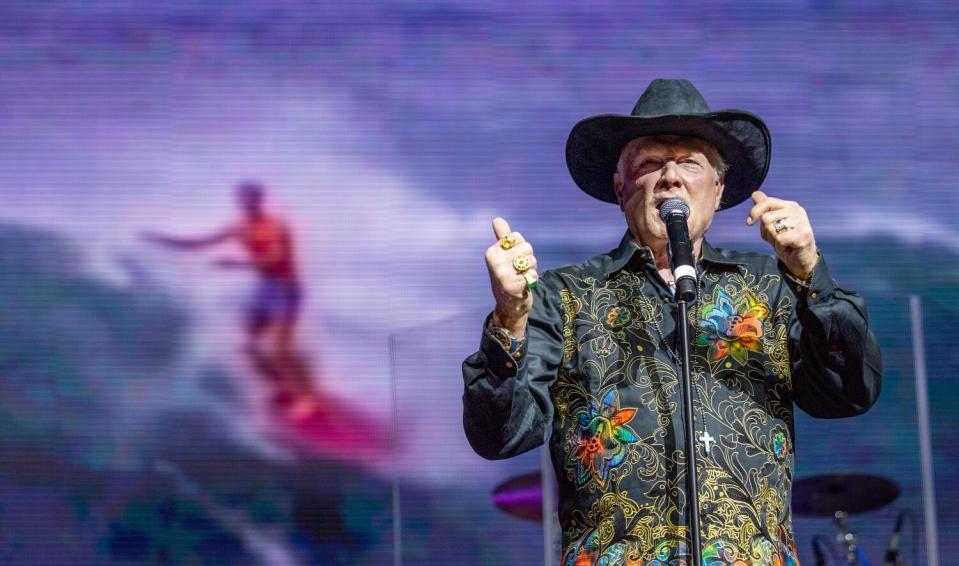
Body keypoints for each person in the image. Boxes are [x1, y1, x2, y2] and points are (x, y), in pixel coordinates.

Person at [462, 79, 882, 564]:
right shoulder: (566, 295)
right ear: (621, 187)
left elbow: (850, 392)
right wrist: (510, 319)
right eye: (649, 163)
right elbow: (499, 435)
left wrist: (811, 273)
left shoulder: (770, 284)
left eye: (689, 162)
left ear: (719, 190)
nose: (670, 177)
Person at [144, 181, 302, 356]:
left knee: (279, 348)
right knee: (249, 342)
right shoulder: (240, 227)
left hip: (286, 286)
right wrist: (163, 240)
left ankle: (293, 372)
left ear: (260, 199)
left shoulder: (274, 226)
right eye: (242, 199)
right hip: (265, 286)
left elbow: (275, 258)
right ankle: (276, 373)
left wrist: (236, 264)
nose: (246, 203)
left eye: (251, 198)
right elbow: (198, 243)